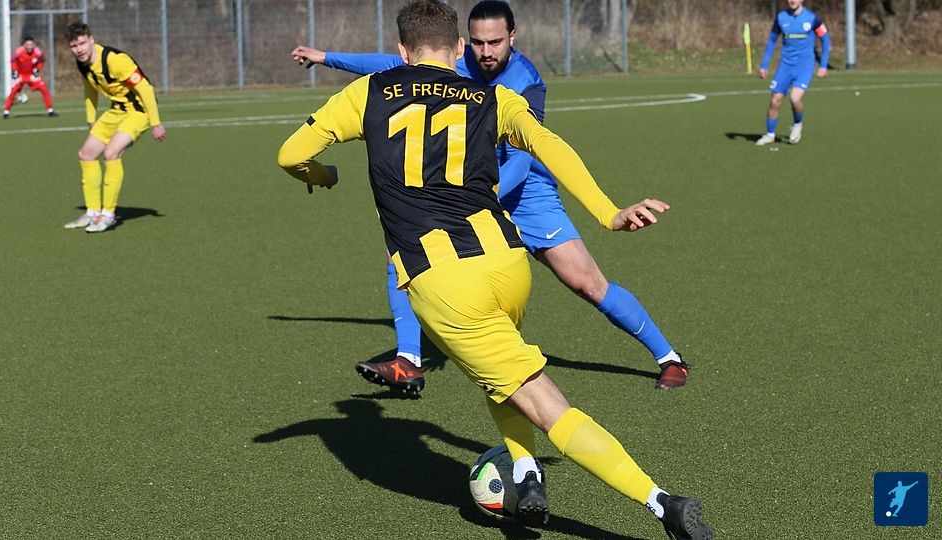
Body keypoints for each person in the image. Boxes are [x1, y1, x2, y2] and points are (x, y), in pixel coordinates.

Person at [277, 2, 713, 538]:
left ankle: (662, 503)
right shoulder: (493, 96)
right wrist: (607, 212)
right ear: (459, 49)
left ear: (401, 51)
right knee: (497, 372)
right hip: (506, 262)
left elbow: (290, 154)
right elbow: (547, 144)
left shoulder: (368, 92)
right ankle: (526, 473)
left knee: (545, 404)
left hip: (444, 282)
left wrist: (321, 175)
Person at [292, 0, 689, 395]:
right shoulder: (453, 62)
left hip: (525, 193)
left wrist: (486, 198)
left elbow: (522, 157)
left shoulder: (526, 81)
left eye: (495, 42)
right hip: (467, 192)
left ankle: (669, 357)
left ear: (512, 37)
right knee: (401, 253)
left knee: (588, 283)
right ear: (463, 43)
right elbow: (389, 65)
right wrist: (327, 57)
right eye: (479, 42)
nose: (486, 52)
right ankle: (409, 360)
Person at [63, 22, 167, 233]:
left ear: (92, 40)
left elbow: (146, 89)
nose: (79, 49)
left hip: (139, 111)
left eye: (82, 43)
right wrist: (91, 119)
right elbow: (90, 90)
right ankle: (92, 213)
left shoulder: (115, 60)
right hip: (116, 111)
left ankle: (108, 215)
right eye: (74, 46)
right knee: (86, 154)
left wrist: (156, 123)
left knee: (111, 152)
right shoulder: (82, 64)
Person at [755, 0, 830, 146]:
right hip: (785, 66)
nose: (792, 0)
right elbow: (772, 41)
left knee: (795, 98)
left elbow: (825, 40)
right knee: (775, 101)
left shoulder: (812, 18)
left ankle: (797, 124)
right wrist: (764, 65)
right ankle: (770, 135)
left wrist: (823, 65)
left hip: (804, 66)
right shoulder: (781, 18)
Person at [3, 36, 57, 119]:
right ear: (24, 45)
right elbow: (13, 61)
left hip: (31, 75)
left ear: (34, 45)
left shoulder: (38, 52)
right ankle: (6, 112)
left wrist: (37, 69)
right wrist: (15, 71)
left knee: (44, 89)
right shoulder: (18, 52)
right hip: (21, 75)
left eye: (31, 44)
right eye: (27, 45)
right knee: (13, 91)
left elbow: (42, 60)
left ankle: (50, 110)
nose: (30, 47)